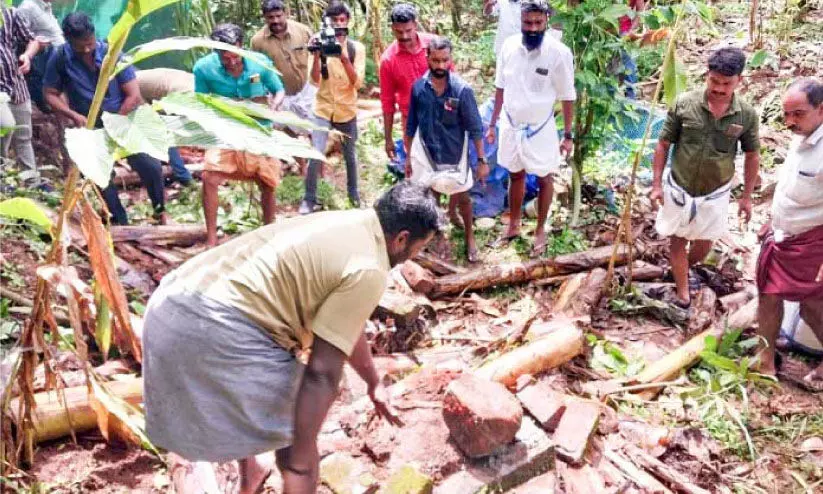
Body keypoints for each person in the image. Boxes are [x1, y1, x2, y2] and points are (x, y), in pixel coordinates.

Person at [144, 182, 441, 494]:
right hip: (212, 326)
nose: (412, 259)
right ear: (402, 239)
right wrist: (301, 454)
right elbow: (322, 372)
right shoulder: (370, 268)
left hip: (172, 302)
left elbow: (341, 326)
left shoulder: (349, 224)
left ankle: (252, 471)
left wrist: (372, 381)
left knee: (270, 384)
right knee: (298, 436)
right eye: (418, 250)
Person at [650, 47, 760, 309]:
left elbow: (752, 154)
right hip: (680, 184)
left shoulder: (746, 115)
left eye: (727, 84)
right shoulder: (684, 104)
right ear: (707, 75)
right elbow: (663, 144)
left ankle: (683, 269)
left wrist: (746, 198)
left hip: (716, 191)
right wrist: (656, 185)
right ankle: (683, 292)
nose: (720, 89)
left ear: (739, 81)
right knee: (677, 237)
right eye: (714, 81)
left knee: (705, 241)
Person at [43, 12, 167, 224]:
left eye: (89, 43)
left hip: (123, 118)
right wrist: (72, 115)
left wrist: (116, 123)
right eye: (79, 45)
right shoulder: (61, 57)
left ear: (94, 35)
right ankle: (119, 221)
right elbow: (50, 93)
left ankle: (159, 211)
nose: (86, 49)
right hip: (88, 124)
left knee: (151, 166)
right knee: (100, 175)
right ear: (67, 40)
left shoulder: (112, 52)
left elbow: (133, 95)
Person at [487, 0, 576, 257]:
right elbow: (500, 87)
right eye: (528, 23)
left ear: (547, 20)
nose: (533, 28)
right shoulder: (508, 46)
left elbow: (568, 95)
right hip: (511, 124)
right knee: (515, 174)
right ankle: (514, 224)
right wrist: (493, 123)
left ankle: (539, 230)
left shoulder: (559, 53)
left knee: (545, 177)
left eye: (539, 22)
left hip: (541, 128)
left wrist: (568, 134)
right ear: (521, 21)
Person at [755, 78, 823, 386]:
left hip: (812, 242)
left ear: (821, 110)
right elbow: (791, 187)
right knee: (769, 294)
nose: (789, 122)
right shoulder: (802, 137)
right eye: (786, 115)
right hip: (783, 235)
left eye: (798, 114)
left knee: (812, 307)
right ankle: (765, 361)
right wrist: (773, 219)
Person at [193, 23, 286, 246]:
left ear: (241, 46)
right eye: (225, 57)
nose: (232, 61)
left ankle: (269, 231)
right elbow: (201, 102)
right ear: (215, 52)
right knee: (209, 177)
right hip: (226, 131)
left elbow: (278, 89)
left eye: (235, 54)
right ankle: (212, 237)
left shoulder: (260, 63)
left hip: (259, 129)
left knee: (268, 182)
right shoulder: (203, 69)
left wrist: (276, 105)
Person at [404, 36, 488, 263]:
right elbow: (411, 124)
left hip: (455, 153)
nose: (440, 66)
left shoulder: (462, 90)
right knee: (433, 196)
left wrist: (481, 160)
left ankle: (470, 237)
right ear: (427, 58)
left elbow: (475, 127)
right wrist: (408, 156)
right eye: (436, 60)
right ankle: (440, 235)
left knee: (463, 197)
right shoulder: (419, 88)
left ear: (451, 59)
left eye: (445, 60)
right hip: (428, 152)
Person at [299, 1, 365, 214]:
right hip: (322, 107)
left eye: (342, 20)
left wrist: (344, 59)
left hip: (346, 109)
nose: (338, 24)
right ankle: (308, 199)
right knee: (315, 153)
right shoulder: (319, 44)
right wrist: (318, 55)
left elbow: (358, 83)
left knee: (350, 154)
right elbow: (315, 81)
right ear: (327, 22)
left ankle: (354, 196)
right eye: (333, 20)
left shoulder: (356, 49)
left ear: (347, 22)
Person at [380, 3, 441, 161]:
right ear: (392, 28)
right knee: (418, 166)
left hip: (442, 117)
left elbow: (453, 82)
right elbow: (387, 102)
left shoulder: (434, 45)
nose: (405, 36)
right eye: (399, 32)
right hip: (413, 123)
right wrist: (388, 139)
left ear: (415, 24)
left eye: (408, 30)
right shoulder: (388, 60)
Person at [251, 0, 315, 122]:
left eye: (278, 16)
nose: (275, 21)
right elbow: (255, 71)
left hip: (307, 92)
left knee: (313, 129)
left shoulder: (303, 31)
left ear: (285, 14)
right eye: (270, 17)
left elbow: (316, 57)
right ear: (264, 17)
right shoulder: (257, 41)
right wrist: (258, 94)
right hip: (280, 96)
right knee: (286, 131)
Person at [0, 6, 41, 186]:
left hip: (16, 83)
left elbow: (33, 40)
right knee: (5, 125)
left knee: (24, 136)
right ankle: (2, 179)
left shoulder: (9, 12)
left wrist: (27, 55)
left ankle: (34, 184)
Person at [136, 67, 195, 186]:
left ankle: (165, 161)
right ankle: (184, 177)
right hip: (136, 91)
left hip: (154, 90)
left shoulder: (199, 86)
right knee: (161, 131)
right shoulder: (188, 93)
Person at [16, 0, 64, 113]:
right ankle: (41, 101)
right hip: (40, 57)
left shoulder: (46, 6)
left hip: (55, 57)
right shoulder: (27, 7)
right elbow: (20, 37)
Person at [483, 0, 561, 57]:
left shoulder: (536, 2)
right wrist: (489, 5)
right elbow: (488, 12)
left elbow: (556, 24)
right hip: (503, 45)